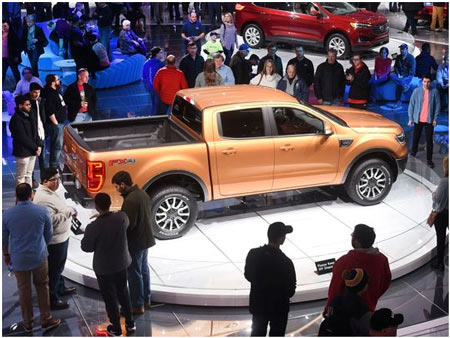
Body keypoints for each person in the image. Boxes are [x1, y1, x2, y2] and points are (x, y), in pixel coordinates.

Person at [2, 183, 61, 333]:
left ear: (16, 196)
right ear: (31, 195)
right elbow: (48, 234)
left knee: (24, 291)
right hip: (39, 256)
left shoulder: (6, 215)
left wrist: (6, 255)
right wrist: (42, 246)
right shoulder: (42, 212)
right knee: (42, 287)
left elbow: (4, 239)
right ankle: (46, 319)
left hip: (19, 259)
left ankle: (27, 323)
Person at [81, 193, 136, 337]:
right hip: (121, 263)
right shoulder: (122, 218)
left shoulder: (93, 226)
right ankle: (130, 323)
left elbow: (86, 247)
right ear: (110, 203)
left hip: (104, 268)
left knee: (110, 297)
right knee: (124, 292)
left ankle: (116, 328)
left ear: (97, 207)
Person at [111, 171, 156, 314]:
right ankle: (146, 299)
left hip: (135, 242)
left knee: (134, 273)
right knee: (143, 270)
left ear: (123, 185)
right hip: (146, 239)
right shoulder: (142, 194)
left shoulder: (130, 200)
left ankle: (137, 305)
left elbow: (128, 224)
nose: (116, 189)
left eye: (117, 186)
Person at [33, 167, 77, 310]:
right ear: (45, 181)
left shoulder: (50, 192)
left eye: (58, 178)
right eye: (54, 179)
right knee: (54, 270)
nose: (58, 182)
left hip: (61, 237)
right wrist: (68, 211)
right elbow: (50, 220)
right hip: (55, 241)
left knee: (59, 267)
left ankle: (60, 288)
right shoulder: (42, 199)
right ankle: (53, 299)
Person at [325, 224, 391, 313]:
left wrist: (328, 309)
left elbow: (335, 288)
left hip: (346, 312)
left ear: (357, 242)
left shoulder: (344, 262)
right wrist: (373, 297)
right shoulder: (382, 259)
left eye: (353, 235)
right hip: (369, 307)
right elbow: (386, 281)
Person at [244, 222, 296, 337]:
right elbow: (291, 290)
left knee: (257, 333)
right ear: (281, 239)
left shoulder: (253, 254)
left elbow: (248, 275)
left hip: (259, 306)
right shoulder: (286, 262)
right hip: (279, 309)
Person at [319, 268, 371, 336]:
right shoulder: (362, 310)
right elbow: (365, 332)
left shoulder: (335, 300)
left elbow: (329, 317)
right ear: (364, 286)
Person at [408, 74, 441, 168]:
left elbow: (438, 106)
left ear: (431, 82)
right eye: (424, 81)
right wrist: (410, 118)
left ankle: (429, 160)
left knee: (429, 141)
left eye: (428, 81)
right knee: (415, 139)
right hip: (418, 120)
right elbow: (411, 105)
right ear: (422, 82)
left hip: (429, 120)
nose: (426, 83)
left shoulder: (435, 92)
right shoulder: (416, 91)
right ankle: (413, 155)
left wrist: (435, 119)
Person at [9, 96, 43, 186]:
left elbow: (36, 131)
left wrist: (39, 145)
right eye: (27, 105)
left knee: (29, 175)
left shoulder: (31, 115)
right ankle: (20, 197)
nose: (29, 106)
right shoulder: (16, 119)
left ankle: (28, 196)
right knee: (21, 176)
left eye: (30, 105)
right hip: (23, 152)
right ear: (20, 106)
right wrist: (36, 147)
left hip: (33, 151)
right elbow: (22, 137)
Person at [42, 74, 66, 170]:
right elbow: (50, 110)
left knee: (56, 144)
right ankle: (54, 164)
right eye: (57, 80)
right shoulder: (50, 93)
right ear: (53, 82)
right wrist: (56, 124)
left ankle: (53, 163)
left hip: (59, 122)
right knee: (57, 145)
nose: (59, 81)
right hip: (55, 124)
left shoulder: (56, 91)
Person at [429, 156, 449, 271]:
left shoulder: (445, 182)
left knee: (440, 239)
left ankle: (440, 263)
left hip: (442, 215)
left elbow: (437, 198)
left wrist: (434, 194)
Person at [27, 83, 46, 177]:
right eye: (35, 92)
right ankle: (31, 180)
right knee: (31, 161)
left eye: (38, 92)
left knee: (43, 159)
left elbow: (42, 117)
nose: (37, 94)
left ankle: (44, 179)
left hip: (41, 132)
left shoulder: (41, 101)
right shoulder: (28, 104)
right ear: (30, 92)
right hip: (32, 135)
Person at [390, 44, 416, 109]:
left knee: (399, 84)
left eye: (402, 49)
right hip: (399, 75)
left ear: (406, 50)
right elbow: (395, 67)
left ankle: (398, 101)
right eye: (400, 49)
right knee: (391, 75)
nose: (401, 51)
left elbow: (412, 70)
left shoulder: (411, 58)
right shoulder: (398, 57)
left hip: (407, 76)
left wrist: (403, 76)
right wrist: (398, 74)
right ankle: (404, 85)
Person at [143, 47, 165, 115]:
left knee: (153, 102)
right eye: (161, 52)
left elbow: (144, 76)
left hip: (149, 86)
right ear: (157, 54)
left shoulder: (146, 63)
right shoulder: (160, 64)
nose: (163, 54)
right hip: (157, 87)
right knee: (158, 103)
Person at [2, 20, 22, 84]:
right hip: (2, 58)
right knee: (2, 73)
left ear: (9, 26)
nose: (3, 27)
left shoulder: (13, 35)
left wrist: (16, 56)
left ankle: (18, 85)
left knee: (15, 72)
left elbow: (18, 47)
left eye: (5, 26)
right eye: (2, 26)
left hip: (11, 58)